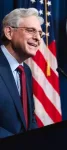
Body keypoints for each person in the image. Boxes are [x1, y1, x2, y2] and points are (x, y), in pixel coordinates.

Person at [0, 8, 44, 138]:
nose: (37, 38)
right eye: (31, 30)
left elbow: (29, 119)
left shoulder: (26, 71)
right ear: (9, 32)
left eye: (40, 34)